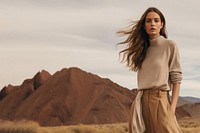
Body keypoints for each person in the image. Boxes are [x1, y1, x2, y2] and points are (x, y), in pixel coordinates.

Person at [117, 7, 182, 133]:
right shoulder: (141, 49)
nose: (152, 23)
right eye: (149, 21)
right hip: (140, 102)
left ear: (161, 24)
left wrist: (172, 109)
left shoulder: (170, 45)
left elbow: (176, 79)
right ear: (144, 26)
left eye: (156, 20)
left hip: (160, 101)